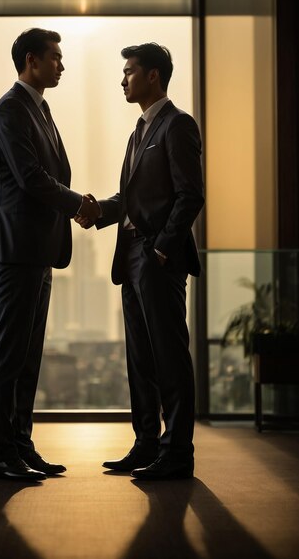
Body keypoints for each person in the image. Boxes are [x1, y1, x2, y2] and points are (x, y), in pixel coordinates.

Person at [76, 42, 204, 480]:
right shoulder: (139, 132)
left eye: (129, 71)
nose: (123, 79)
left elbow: (191, 195)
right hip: (129, 256)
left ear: (153, 76)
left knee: (169, 355)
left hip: (156, 257)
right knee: (141, 358)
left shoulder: (177, 125)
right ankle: (147, 443)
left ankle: (177, 453)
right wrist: (99, 210)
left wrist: (163, 248)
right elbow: (132, 200)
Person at [0, 28, 99, 481]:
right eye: (55, 57)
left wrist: (74, 205)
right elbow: (31, 178)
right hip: (16, 250)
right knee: (9, 355)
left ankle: (20, 445)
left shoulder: (41, 110)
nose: (62, 65)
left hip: (40, 251)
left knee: (28, 357)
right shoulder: (11, 110)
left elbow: (48, 174)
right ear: (31, 60)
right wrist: (78, 204)